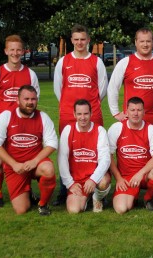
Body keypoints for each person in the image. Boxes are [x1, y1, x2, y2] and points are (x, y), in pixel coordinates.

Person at [53, 24, 108, 205]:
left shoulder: (97, 62)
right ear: (71, 41)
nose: (79, 42)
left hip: (92, 114)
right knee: (67, 153)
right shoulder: (63, 61)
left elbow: (102, 89)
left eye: (82, 39)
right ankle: (65, 189)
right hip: (69, 114)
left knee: (94, 151)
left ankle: (96, 188)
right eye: (76, 39)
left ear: (88, 40)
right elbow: (58, 89)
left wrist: (88, 109)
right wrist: (72, 108)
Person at [0, 34, 40, 207]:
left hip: (23, 125)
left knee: (25, 158)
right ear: (6, 51)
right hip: (3, 126)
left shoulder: (30, 73)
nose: (15, 53)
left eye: (18, 49)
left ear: (23, 51)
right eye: (12, 50)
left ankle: (27, 191)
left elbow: (34, 97)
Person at [0, 85, 58, 215]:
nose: (30, 103)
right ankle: (29, 194)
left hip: (35, 164)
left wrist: (35, 160)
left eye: (33, 99)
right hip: (16, 166)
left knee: (48, 169)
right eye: (26, 99)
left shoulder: (43, 117)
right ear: (18, 100)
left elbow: (52, 143)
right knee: (21, 210)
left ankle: (42, 204)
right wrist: (13, 164)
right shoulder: (6, 116)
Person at [107, 27, 153, 135]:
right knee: (133, 150)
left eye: (148, 41)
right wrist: (115, 113)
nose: (145, 44)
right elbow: (112, 88)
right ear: (136, 42)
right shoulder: (125, 62)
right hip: (132, 117)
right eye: (142, 41)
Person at [108, 97, 153, 214]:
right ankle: (132, 195)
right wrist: (119, 178)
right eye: (132, 110)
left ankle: (148, 198)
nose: (136, 113)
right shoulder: (117, 128)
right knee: (121, 209)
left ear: (144, 112)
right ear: (126, 112)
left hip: (144, 175)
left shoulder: (151, 129)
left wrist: (140, 174)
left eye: (139, 110)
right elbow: (108, 156)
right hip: (126, 177)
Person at [58, 99, 111, 213]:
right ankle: (87, 197)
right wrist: (70, 184)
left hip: (95, 178)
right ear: (74, 114)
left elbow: (105, 160)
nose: (83, 117)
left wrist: (93, 179)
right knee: (74, 210)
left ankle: (97, 198)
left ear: (91, 114)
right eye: (79, 114)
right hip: (76, 180)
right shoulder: (68, 130)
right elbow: (62, 159)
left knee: (104, 181)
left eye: (86, 113)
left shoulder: (100, 130)